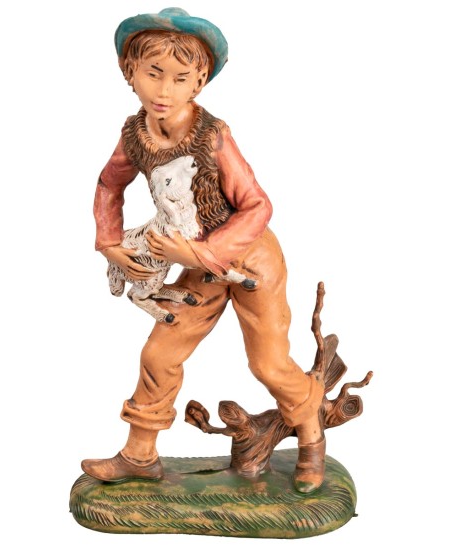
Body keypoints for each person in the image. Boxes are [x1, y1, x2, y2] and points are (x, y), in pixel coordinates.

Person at [81, 8, 326, 493]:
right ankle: (139, 455)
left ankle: (311, 438)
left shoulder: (212, 136)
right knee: (159, 354)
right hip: (193, 262)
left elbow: (257, 206)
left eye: (180, 79)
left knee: (269, 364)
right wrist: (109, 241)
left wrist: (202, 254)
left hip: (249, 260)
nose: (164, 90)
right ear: (129, 73)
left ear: (199, 82)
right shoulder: (135, 134)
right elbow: (110, 184)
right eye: (153, 74)